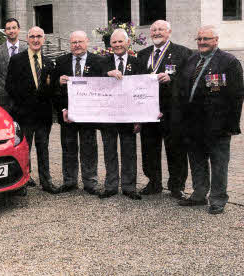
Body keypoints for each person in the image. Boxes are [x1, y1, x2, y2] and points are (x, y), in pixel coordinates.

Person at [177, 25, 244, 214]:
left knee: (219, 163)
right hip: (193, 124)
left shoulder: (229, 62)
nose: (202, 43)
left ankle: (217, 199)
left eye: (206, 39)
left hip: (218, 125)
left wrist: (232, 125)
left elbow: (237, 96)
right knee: (197, 161)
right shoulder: (191, 60)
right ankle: (199, 194)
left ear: (216, 40)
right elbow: (183, 90)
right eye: (199, 39)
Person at [136, 20, 192, 199]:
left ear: (169, 32)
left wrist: (172, 79)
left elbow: (189, 80)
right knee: (149, 148)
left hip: (172, 112)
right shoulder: (142, 55)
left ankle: (177, 185)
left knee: (175, 149)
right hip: (148, 112)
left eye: (161, 29)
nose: (157, 32)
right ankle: (154, 182)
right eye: (153, 30)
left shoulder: (183, 53)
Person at [6, 27, 59, 193]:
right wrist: (24, 105)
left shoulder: (49, 63)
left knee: (43, 149)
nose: (36, 40)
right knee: (24, 150)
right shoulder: (16, 60)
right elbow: (9, 86)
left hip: (43, 116)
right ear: (27, 39)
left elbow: (52, 90)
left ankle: (46, 181)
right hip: (24, 115)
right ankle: (23, 181)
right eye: (32, 37)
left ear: (43, 39)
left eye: (39, 37)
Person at [53, 31, 104, 195]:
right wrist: (58, 84)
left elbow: (102, 88)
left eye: (80, 41)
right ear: (70, 44)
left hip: (89, 115)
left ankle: (90, 182)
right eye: (74, 42)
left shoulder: (98, 61)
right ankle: (69, 181)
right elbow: (54, 90)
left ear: (87, 42)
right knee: (68, 148)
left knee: (89, 147)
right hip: (68, 115)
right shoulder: (61, 61)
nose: (77, 45)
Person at [99, 29, 142, 200]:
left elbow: (142, 90)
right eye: (114, 42)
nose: (117, 45)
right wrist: (106, 74)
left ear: (128, 43)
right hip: (108, 117)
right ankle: (110, 186)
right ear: (110, 45)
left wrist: (140, 118)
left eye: (120, 42)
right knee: (109, 151)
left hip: (129, 116)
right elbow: (93, 83)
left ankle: (129, 187)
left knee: (129, 152)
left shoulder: (137, 62)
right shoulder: (103, 62)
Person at [0, 18, 27, 113]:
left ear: (19, 29)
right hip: (3, 100)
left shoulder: (27, 49)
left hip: (23, 98)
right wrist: (0, 90)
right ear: (5, 31)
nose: (11, 31)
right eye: (8, 28)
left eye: (14, 28)